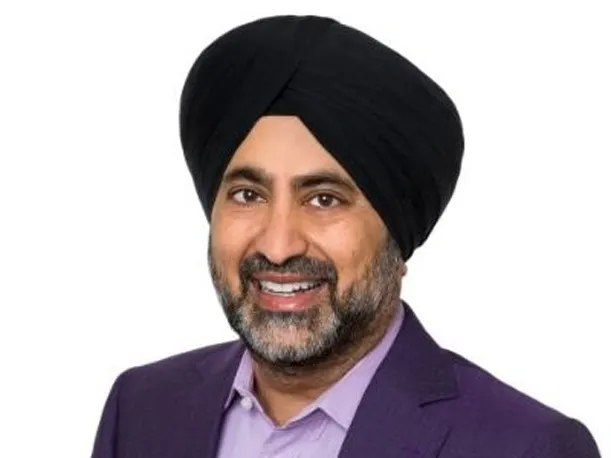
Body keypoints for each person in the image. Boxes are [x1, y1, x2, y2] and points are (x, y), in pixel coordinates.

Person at [90, 14, 601, 458]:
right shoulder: (140, 409)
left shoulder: (524, 447)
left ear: (398, 233)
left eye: (324, 199)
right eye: (248, 194)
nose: (278, 246)